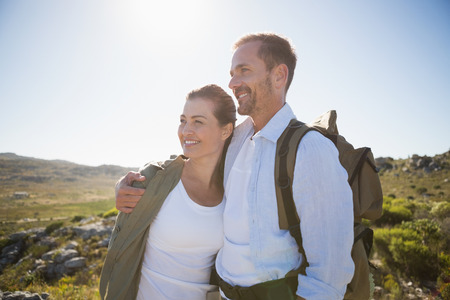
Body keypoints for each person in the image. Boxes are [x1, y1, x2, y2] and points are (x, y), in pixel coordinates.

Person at [115, 33, 355, 300]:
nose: (232, 82)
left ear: (278, 76)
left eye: (244, 71)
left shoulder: (311, 149)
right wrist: (137, 179)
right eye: (231, 73)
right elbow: (194, 153)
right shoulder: (237, 138)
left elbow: (330, 275)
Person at [99, 84, 236, 300]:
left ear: (226, 130)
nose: (186, 131)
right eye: (183, 121)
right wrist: (121, 186)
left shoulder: (233, 188)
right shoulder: (156, 180)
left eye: (198, 122)